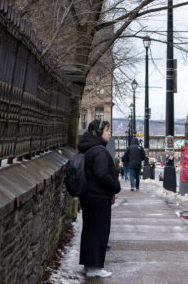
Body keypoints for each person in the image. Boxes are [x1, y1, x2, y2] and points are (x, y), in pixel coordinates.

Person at [78, 119, 120, 278]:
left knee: (89, 230)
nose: (109, 133)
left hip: (89, 195)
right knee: (99, 231)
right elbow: (102, 173)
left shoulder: (89, 148)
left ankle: (89, 264)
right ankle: (95, 266)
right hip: (98, 196)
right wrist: (115, 186)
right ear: (98, 132)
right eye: (107, 130)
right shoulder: (100, 151)